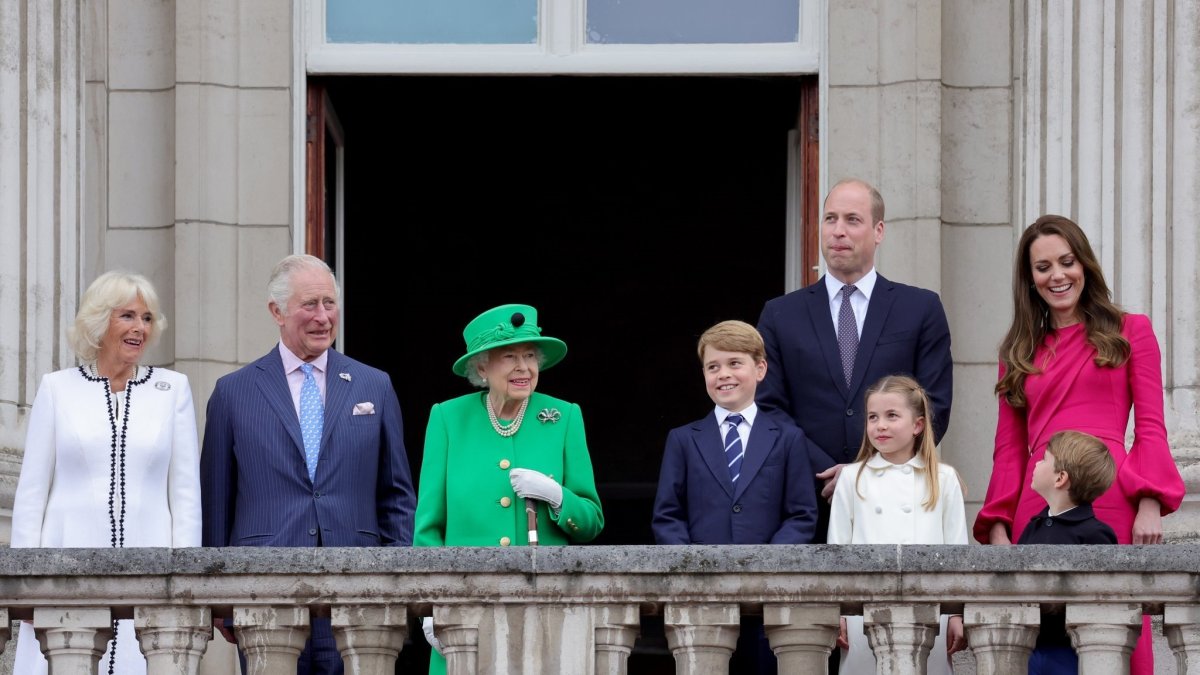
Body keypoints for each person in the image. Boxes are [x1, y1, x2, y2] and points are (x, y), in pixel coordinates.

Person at [972, 214, 1184, 674]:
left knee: (1114, 636)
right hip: (1038, 504)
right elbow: (1007, 449)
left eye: (1066, 262)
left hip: (1110, 498)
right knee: (1042, 644)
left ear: (1084, 265)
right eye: (1043, 267)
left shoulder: (1132, 330)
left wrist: (1150, 500)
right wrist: (997, 524)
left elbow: (1151, 426)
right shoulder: (1018, 350)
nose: (1057, 276)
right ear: (1030, 279)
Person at [200, 254, 415, 675]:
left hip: (358, 590)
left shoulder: (375, 385)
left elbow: (396, 496)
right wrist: (219, 598)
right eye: (309, 305)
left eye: (329, 303)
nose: (323, 317)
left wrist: (398, 578)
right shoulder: (232, 393)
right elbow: (217, 503)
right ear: (276, 311)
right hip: (264, 589)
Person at [10, 270, 201, 675]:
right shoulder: (57, 389)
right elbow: (31, 493)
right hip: (65, 568)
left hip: (150, 572)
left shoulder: (173, 390)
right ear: (99, 322)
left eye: (147, 318)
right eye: (127, 316)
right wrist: (24, 584)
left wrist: (187, 583)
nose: (140, 328)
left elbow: (185, 496)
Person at [755, 178, 953, 539]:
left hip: (894, 504)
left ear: (878, 231)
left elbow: (933, 403)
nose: (838, 231)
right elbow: (768, 408)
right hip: (805, 503)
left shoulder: (920, 308)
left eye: (852, 220)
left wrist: (870, 472)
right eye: (830, 219)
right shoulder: (780, 314)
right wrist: (827, 470)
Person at [414, 303, 604, 675]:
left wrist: (557, 496)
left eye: (530, 356)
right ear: (481, 367)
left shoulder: (563, 417)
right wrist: (430, 605)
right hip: (465, 610)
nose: (524, 367)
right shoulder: (448, 419)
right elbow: (428, 528)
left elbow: (592, 520)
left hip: (544, 611)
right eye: (510, 357)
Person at [652, 320, 818, 674]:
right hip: (703, 596)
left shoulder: (787, 438)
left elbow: (801, 514)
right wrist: (690, 567)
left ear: (760, 369)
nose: (723, 374)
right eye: (713, 367)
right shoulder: (683, 439)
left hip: (767, 599)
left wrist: (767, 564)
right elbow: (668, 514)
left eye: (734, 363)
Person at [827, 375, 967, 675]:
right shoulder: (852, 478)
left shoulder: (943, 478)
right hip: (863, 610)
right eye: (873, 417)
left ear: (917, 425)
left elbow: (958, 551)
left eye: (892, 416)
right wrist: (838, 610)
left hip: (929, 608)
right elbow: (836, 550)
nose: (880, 425)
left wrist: (956, 612)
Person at [1018, 430, 1118, 675]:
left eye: (1043, 459)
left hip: (1069, 653)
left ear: (1060, 478)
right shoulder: (1034, 526)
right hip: (1029, 648)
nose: (1037, 462)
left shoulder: (1095, 534)